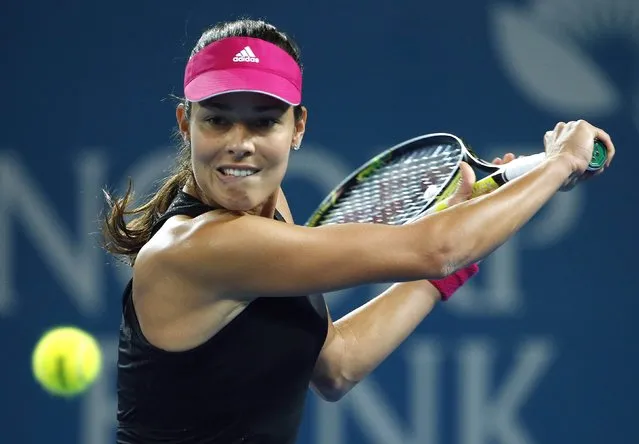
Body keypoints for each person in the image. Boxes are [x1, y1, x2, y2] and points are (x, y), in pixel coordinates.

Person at [102, 18, 614, 444]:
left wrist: (468, 231)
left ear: (297, 127)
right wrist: (558, 166)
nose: (241, 144)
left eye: (263, 121)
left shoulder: (269, 209)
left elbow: (337, 364)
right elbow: (437, 249)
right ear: (185, 122)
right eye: (217, 120)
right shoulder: (198, 247)